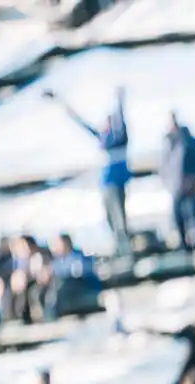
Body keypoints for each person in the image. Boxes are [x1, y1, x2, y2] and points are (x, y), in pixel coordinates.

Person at [45, 87, 131, 257]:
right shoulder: (102, 138)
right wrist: (61, 102)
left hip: (117, 182)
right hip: (105, 184)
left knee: (120, 217)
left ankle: (126, 250)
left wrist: (119, 100)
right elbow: (81, 122)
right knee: (109, 218)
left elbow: (121, 119)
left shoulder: (119, 138)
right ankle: (118, 247)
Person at [161, 114, 195, 252]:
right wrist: (168, 183)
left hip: (189, 184)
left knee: (193, 213)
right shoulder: (168, 144)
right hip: (175, 186)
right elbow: (164, 166)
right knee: (177, 216)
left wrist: (193, 177)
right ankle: (183, 244)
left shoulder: (189, 141)